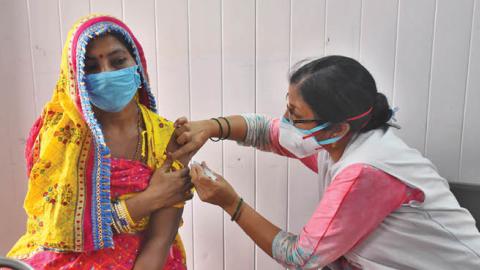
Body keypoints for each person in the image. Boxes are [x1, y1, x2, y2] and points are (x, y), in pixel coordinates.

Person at [172, 56, 480, 269]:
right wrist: (211, 127)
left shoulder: (363, 172)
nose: (286, 121)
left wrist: (231, 204)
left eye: (296, 115)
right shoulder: (335, 139)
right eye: (287, 108)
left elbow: (300, 257)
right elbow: (266, 130)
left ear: (337, 127)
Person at [7, 14, 193, 270]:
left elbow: (160, 239)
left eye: (118, 62)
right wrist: (146, 201)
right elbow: (55, 231)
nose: (106, 74)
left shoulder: (166, 137)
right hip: (65, 257)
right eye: (91, 67)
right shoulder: (61, 136)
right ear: (74, 77)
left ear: (137, 66)